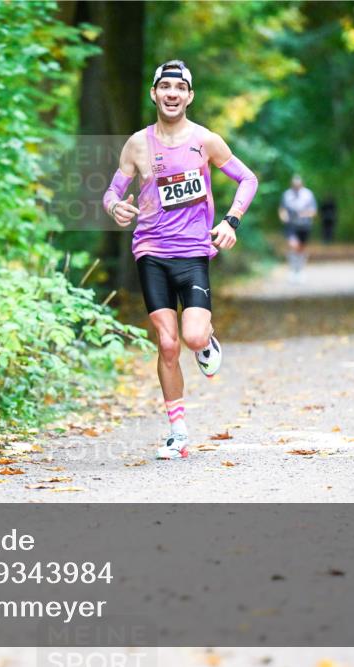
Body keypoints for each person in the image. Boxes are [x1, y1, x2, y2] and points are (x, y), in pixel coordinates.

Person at [102, 59, 258, 460]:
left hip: (192, 251)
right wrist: (115, 206)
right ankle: (177, 431)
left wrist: (231, 221)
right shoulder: (137, 144)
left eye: (179, 88)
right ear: (154, 93)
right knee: (167, 344)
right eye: (164, 87)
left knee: (191, 337)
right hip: (151, 251)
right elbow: (112, 192)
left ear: (189, 96)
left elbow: (248, 179)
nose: (172, 94)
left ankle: (205, 339)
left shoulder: (206, 141)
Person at [278, 175, 317, 281]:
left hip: (305, 225)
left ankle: (300, 270)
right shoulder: (287, 195)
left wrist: (304, 214)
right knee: (293, 246)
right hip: (291, 225)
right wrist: (283, 217)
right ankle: (293, 270)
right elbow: (282, 209)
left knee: (301, 248)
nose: (296, 187)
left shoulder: (308, 195)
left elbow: (313, 211)